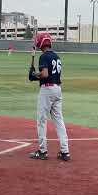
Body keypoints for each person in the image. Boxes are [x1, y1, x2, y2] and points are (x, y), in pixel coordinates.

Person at [28, 32, 70, 162]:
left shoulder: (43, 57)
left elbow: (45, 74)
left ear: (41, 44)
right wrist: (35, 75)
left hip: (47, 90)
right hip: (57, 89)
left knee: (41, 120)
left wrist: (34, 75)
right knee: (59, 121)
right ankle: (65, 151)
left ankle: (42, 151)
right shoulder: (56, 57)